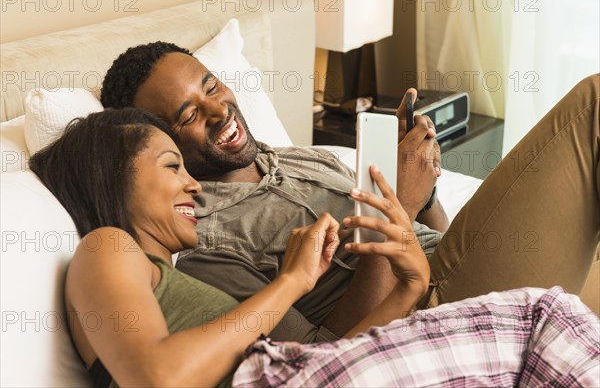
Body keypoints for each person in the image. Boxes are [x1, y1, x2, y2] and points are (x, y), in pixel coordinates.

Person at [29, 108, 600, 387]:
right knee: (543, 317)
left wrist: (409, 286)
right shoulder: (106, 248)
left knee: (543, 335)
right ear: (113, 179)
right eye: (172, 165)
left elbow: (320, 365)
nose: (192, 184)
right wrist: (291, 282)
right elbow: (157, 378)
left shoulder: (166, 275)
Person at [100, 42, 600, 342]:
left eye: (212, 87)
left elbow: (440, 242)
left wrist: (423, 195)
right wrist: (398, 204)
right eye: (188, 114)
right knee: (594, 105)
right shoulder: (203, 242)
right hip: (432, 315)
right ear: (160, 141)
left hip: (456, 266)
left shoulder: (302, 155)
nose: (218, 111)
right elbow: (324, 355)